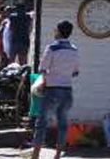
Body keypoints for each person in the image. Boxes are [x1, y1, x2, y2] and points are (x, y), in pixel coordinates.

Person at [31, 20, 80, 159]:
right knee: (63, 123)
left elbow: (42, 68)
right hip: (67, 89)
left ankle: (36, 154)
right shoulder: (74, 49)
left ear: (58, 31)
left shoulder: (52, 48)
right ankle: (58, 155)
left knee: (42, 122)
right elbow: (76, 72)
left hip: (52, 89)